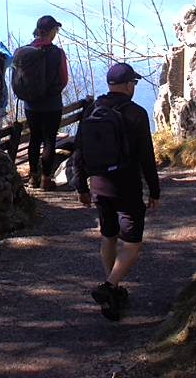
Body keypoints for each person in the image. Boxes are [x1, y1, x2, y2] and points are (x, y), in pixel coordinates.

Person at [75, 61, 160, 321]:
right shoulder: (136, 113)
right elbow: (147, 155)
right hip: (126, 187)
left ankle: (112, 291)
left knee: (108, 236)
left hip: (99, 185)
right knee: (133, 244)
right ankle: (110, 285)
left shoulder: (93, 109)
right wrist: (154, 190)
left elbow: (79, 151)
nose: (134, 86)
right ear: (126, 85)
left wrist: (81, 186)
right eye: (133, 83)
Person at [22, 14, 69, 190]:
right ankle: (46, 179)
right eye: (55, 30)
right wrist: (53, 92)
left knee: (34, 138)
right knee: (49, 140)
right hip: (52, 104)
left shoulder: (25, 51)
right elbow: (64, 79)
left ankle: (33, 178)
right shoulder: (57, 53)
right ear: (51, 32)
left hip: (31, 104)